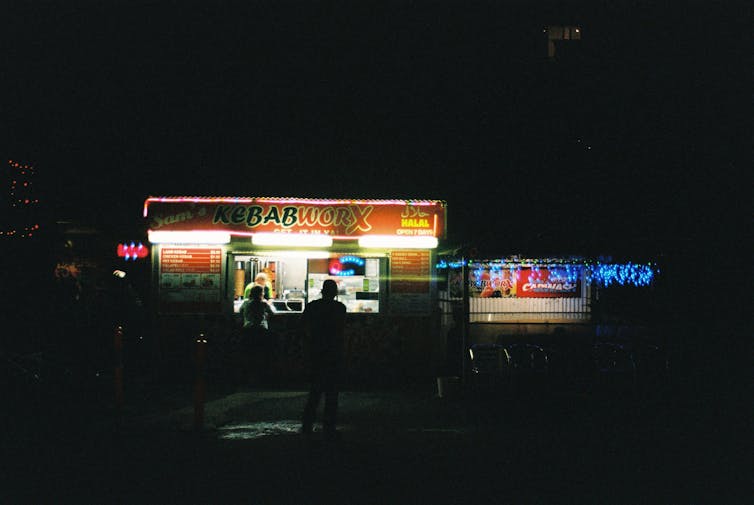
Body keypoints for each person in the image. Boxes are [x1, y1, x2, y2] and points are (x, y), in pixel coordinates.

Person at [301, 279, 347, 440]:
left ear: (322, 291)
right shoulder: (340, 308)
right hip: (333, 353)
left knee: (315, 391)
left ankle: (307, 424)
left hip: (316, 353)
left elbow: (303, 327)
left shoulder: (312, 307)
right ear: (335, 293)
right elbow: (341, 330)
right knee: (332, 393)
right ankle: (329, 426)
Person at [240, 285, 274, 384]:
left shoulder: (245, 303)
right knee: (260, 354)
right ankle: (259, 377)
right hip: (261, 330)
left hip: (248, 330)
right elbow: (273, 313)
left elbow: (240, 313)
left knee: (249, 354)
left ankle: (249, 377)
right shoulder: (263, 304)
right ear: (261, 294)